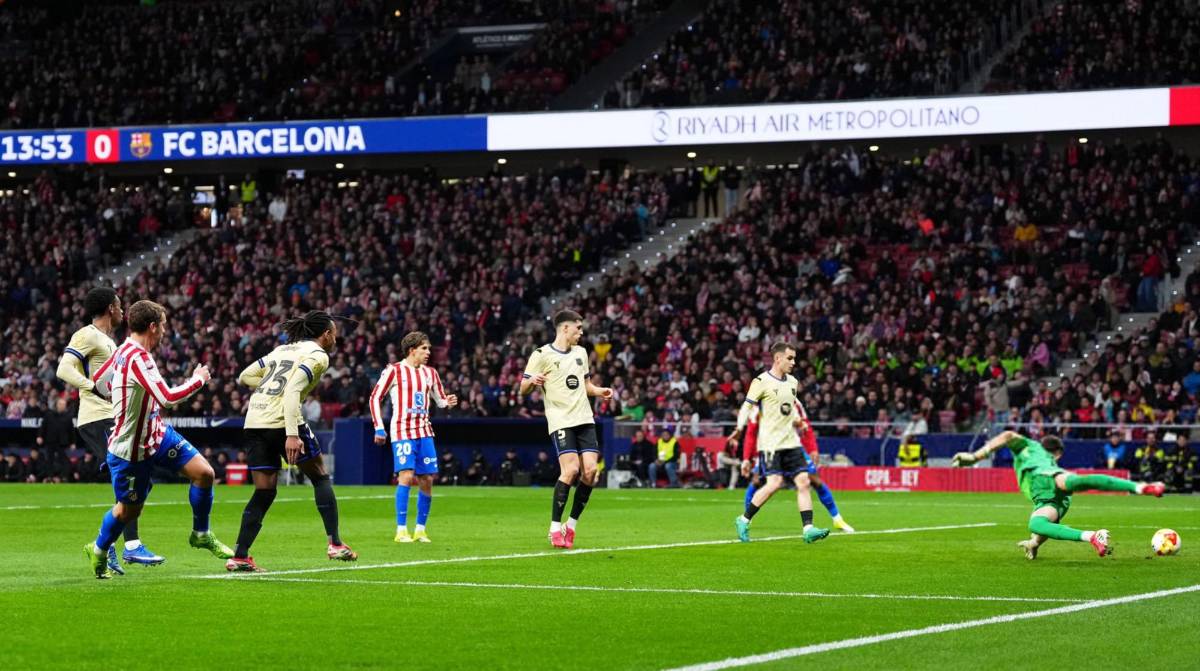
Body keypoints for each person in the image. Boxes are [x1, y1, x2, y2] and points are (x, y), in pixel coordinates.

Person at [82, 300, 233, 579]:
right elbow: (168, 397)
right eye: (162, 325)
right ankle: (99, 548)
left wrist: (124, 401)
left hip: (157, 434)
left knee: (204, 473)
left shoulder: (122, 351)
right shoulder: (138, 357)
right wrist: (198, 379)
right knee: (127, 511)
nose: (164, 331)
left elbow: (99, 382)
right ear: (153, 326)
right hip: (131, 451)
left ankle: (201, 533)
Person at [227, 311, 357, 572]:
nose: (336, 339)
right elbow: (293, 391)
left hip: (254, 421)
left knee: (264, 491)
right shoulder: (318, 355)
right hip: (282, 421)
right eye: (335, 334)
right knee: (319, 476)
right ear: (326, 334)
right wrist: (292, 434)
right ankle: (335, 544)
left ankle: (240, 556)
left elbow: (244, 376)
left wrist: (268, 390)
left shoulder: (281, 350)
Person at [58, 287, 159, 573]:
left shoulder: (110, 342)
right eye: (119, 304)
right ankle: (128, 546)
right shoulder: (87, 334)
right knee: (128, 480)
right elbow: (64, 369)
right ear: (110, 308)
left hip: (113, 417)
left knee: (137, 480)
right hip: (97, 417)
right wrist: (92, 388)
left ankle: (107, 547)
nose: (123, 310)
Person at [953, 431, 1166, 559]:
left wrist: (974, 457)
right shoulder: (1040, 453)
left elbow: (1008, 435)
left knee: (1073, 484)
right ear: (1058, 453)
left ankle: (1140, 487)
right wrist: (1035, 544)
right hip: (1051, 496)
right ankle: (1093, 536)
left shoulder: (1031, 446)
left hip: (1048, 479)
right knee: (1037, 525)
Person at [519, 309, 613, 549]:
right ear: (565, 328)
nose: (581, 332)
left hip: (585, 418)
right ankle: (553, 528)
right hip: (560, 420)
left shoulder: (581, 353)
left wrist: (600, 391)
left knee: (591, 472)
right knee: (570, 470)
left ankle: (570, 525)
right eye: (578, 328)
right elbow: (523, 389)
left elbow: (587, 386)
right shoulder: (541, 355)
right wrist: (532, 382)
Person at [728, 342, 830, 544]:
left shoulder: (792, 382)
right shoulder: (761, 381)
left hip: (791, 442)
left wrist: (797, 421)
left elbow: (787, 408)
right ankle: (743, 519)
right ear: (778, 358)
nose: (794, 362)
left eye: (794, 358)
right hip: (771, 444)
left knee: (803, 482)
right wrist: (739, 429)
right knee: (774, 484)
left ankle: (808, 529)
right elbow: (746, 408)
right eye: (790, 358)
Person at [369, 331, 458, 543]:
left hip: (424, 431)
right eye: (424, 348)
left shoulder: (431, 373)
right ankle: (401, 530)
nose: (428, 352)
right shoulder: (394, 371)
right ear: (412, 350)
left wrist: (449, 401)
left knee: (427, 479)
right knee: (406, 476)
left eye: (428, 349)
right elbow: (375, 398)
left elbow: (440, 400)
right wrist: (379, 427)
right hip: (402, 431)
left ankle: (420, 529)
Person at [742, 398, 854, 533]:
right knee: (757, 480)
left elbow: (805, 425)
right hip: (770, 447)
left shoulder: (794, 401)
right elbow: (751, 432)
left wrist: (812, 448)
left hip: (792, 447)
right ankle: (746, 518)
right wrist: (747, 457)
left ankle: (837, 519)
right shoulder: (760, 404)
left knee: (814, 480)